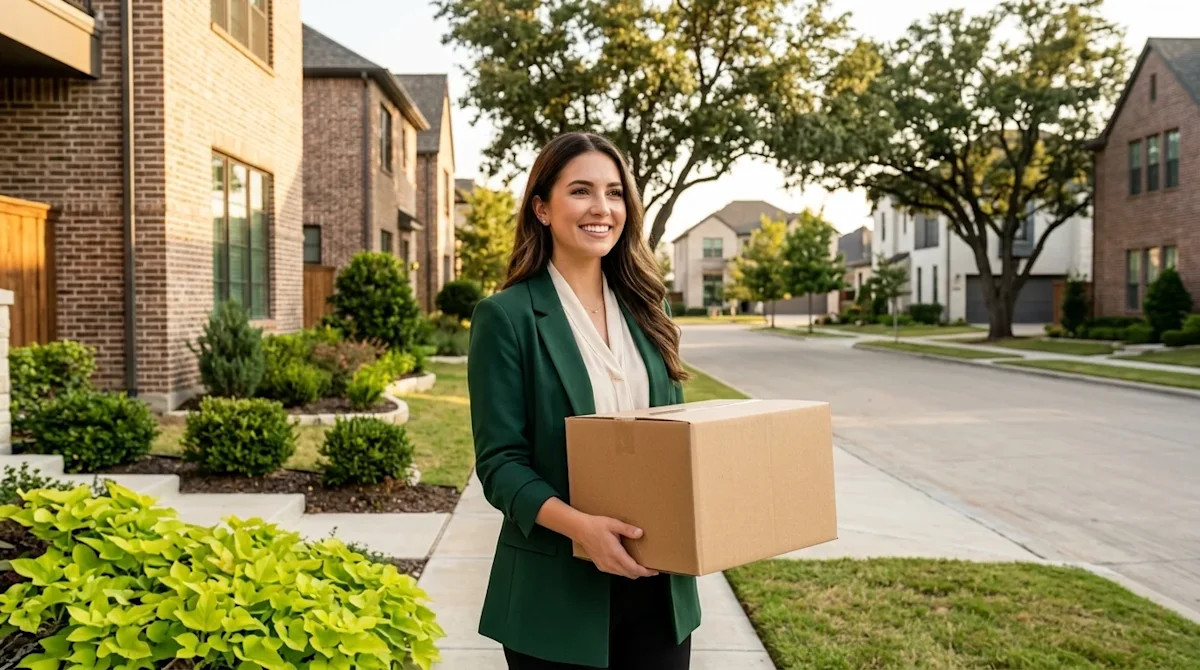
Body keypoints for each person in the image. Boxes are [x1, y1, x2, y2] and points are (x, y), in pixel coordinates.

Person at [466, 131, 700, 669]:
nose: (602, 208)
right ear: (542, 208)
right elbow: (501, 465)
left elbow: (678, 433)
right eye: (581, 191)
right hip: (556, 594)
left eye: (615, 193)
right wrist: (583, 530)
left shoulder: (648, 305)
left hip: (659, 588)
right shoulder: (507, 318)